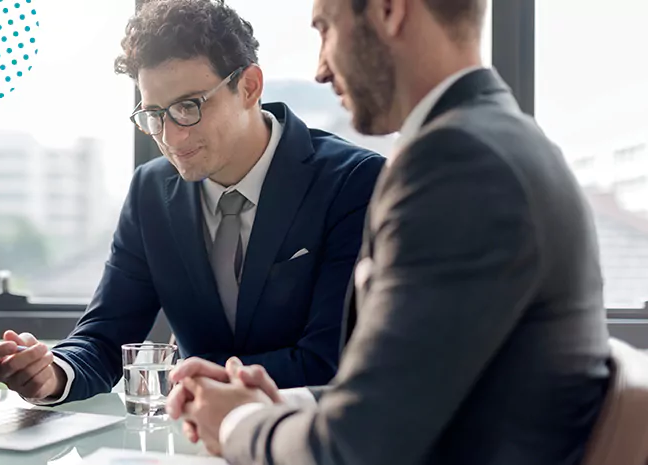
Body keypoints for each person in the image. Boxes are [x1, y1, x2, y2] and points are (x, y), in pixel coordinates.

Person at [167, 0, 612, 463]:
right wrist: (276, 403)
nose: (320, 69)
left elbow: (356, 448)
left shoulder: (457, 164)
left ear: (389, 11)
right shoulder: (498, 140)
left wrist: (237, 424)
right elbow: (411, 390)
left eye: (326, 29)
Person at [0, 0, 384, 406]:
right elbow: (105, 336)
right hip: (189, 440)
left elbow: (330, 362)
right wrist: (52, 373)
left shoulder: (353, 182)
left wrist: (192, 381)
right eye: (154, 115)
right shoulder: (151, 192)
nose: (171, 139)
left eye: (188, 108)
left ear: (249, 87)